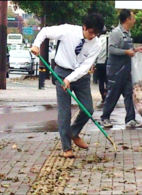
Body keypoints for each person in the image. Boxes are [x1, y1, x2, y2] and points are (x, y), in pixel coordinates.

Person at [31, 13, 104, 158]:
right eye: (90, 32)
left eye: (96, 33)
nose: (92, 36)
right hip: (61, 72)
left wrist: (70, 79)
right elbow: (45, 32)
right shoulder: (67, 31)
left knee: (88, 108)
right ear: (84, 27)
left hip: (80, 76)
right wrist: (36, 45)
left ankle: (74, 132)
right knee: (65, 112)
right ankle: (66, 147)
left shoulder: (97, 43)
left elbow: (85, 66)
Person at [100, 9, 142, 128]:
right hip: (116, 71)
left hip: (126, 70)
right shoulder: (117, 33)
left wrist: (137, 49)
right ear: (127, 20)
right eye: (133, 18)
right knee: (113, 95)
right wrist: (126, 52)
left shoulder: (127, 33)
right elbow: (111, 49)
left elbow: (128, 50)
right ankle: (105, 118)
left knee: (129, 94)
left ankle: (130, 119)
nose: (134, 20)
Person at [94, 28, 109, 104]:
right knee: (108, 81)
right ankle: (108, 94)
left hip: (99, 64)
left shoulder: (97, 41)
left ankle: (103, 96)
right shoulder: (109, 39)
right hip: (108, 63)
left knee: (101, 81)